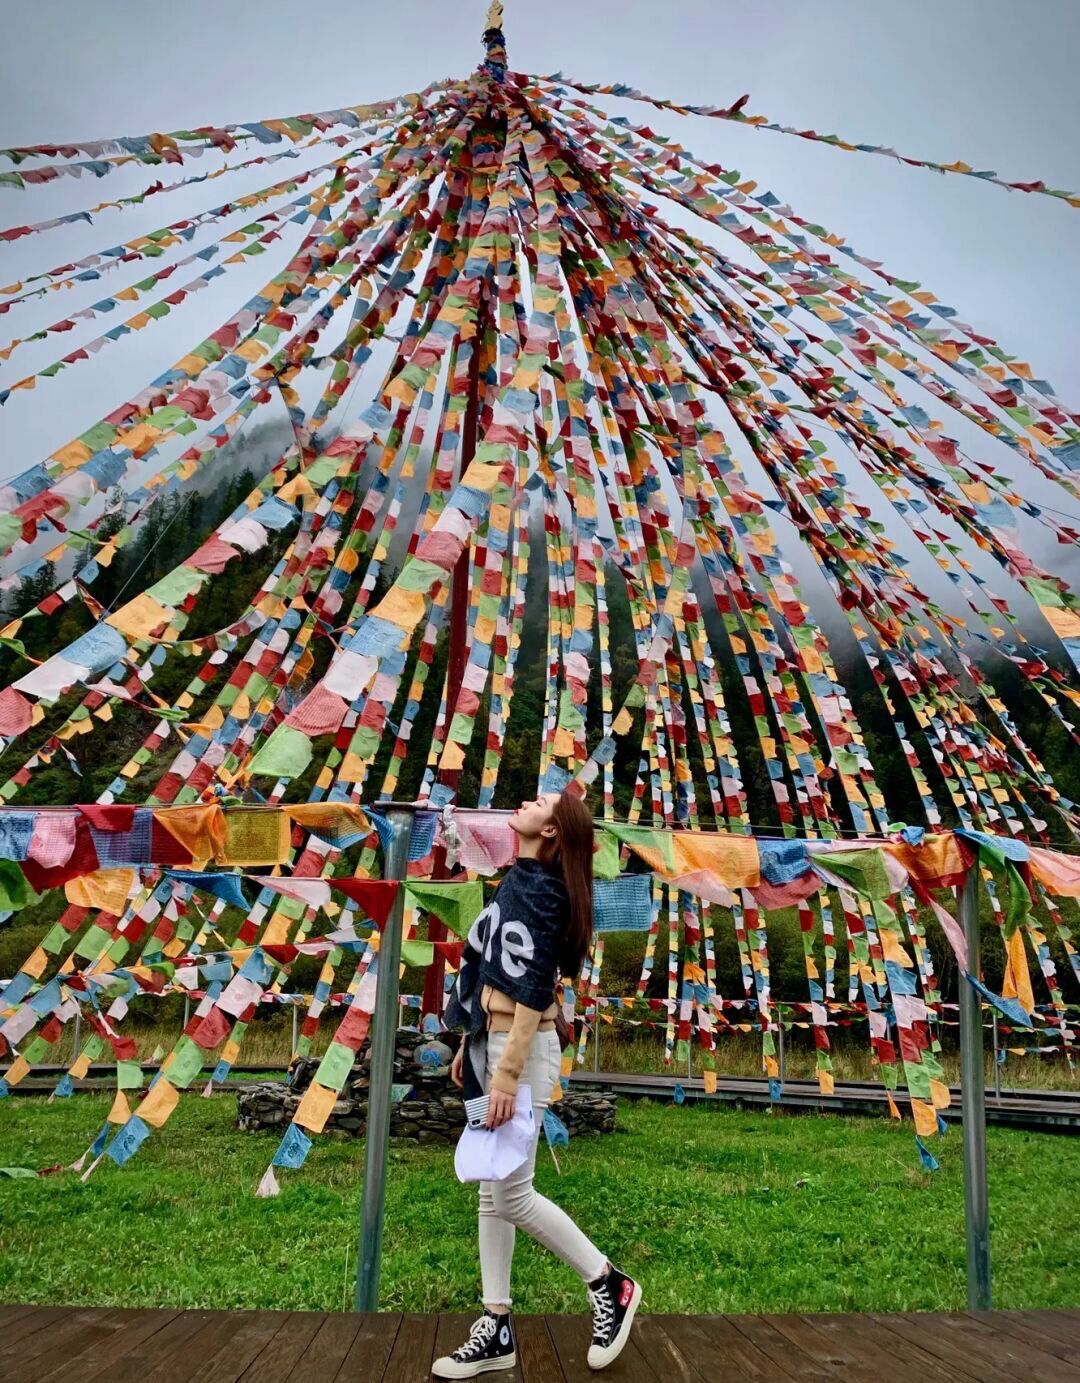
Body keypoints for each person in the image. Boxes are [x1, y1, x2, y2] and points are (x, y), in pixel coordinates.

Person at [431, 789, 641, 1379]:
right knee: (490, 1190)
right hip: (489, 1042)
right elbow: (490, 965)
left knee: (512, 1195)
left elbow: (531, 990)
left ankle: (609, 1282)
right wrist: (469, 1040)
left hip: (519, 1050)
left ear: (551, 831)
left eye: (543, 801)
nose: (526, 800)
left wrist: (503, 1072)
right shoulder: (516, 880)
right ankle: (496, 1324)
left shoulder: (545, 893)